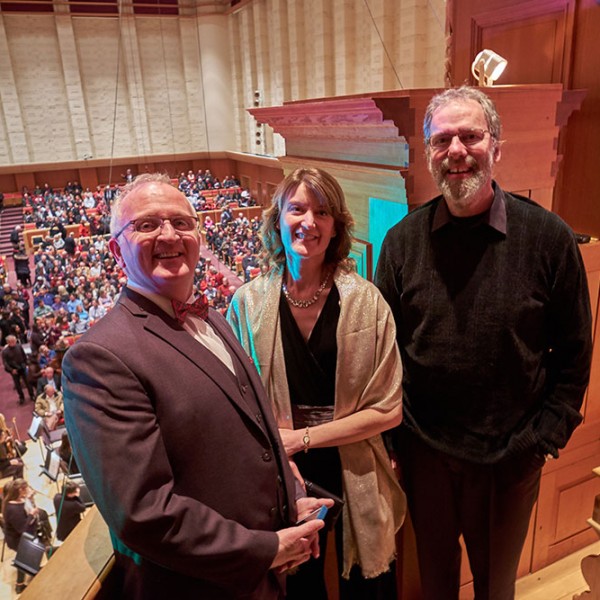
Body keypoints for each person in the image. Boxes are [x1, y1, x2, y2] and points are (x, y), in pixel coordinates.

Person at [62, 173, 331, 600]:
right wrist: (265, 549)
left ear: (198, 235)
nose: (169, 234)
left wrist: (292, 499)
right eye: (148, 225)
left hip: (263, 577)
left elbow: (254, 432)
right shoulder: (100, 357)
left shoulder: (214, 318)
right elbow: (143, 512)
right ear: (116, 250)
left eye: (181, 222)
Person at [375, 85, 593, 600]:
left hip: (510, 458)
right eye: (441, 139)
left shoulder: (548, 238)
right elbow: (385, 356)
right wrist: (394, 440)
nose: (455, 150)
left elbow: (576, 353)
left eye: (469, 136)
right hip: (426, 453)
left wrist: (541, 440)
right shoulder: (402, 242)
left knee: (496, 589)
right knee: (435, 585)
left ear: (496, 147)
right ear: (428, 153)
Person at [227, 167, 406, 600]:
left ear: (336, 226)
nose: (309, 221)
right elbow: (235, 403)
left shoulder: (366, 301)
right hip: (281, 470)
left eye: (322, 211)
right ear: (277, 220)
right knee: (298, 586)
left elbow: (389, 410)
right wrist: (283, 450)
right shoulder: (247, 303)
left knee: (369, 583)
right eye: (297, 208)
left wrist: (300, 439)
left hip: (354, 460)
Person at [2, 479, 52, 594]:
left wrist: (30, 499)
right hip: (18, 539)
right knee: (26, 557)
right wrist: (31, 515)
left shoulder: (17, 500)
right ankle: (19, 585)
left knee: (26, 557)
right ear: (20, 490)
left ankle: (30, 572)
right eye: (26, 488)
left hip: (25, 534)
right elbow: (22, 529)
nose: (29, 489)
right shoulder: (13, 509)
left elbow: (25, 508)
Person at [2, 335, 35, 405]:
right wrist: (11, 370)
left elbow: (24, 355)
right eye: (12, 342)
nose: (14, 342)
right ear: (8, 342)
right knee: (18, 385)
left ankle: (32, 395)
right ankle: (21, 398)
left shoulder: (19, 346)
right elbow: (5, 363)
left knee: (28, 382)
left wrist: (26, 364)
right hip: (14, 370)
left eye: (14, 341)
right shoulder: (5, 352)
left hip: (22, 367)